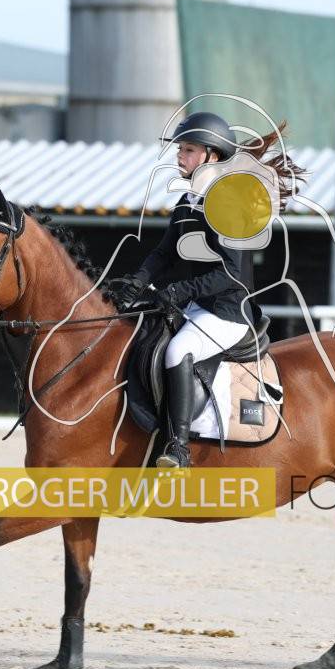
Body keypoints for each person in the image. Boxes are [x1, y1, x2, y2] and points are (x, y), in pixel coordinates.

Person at [115, 111, 303, 468]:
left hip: (227, 312)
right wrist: (135, 282)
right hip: (196, 308)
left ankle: (178, 446)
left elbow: (231, 274)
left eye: (188, 150)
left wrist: (179, 291)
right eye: (180, 150)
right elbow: (164, 254)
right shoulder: (188, 202)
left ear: (211, 156)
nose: (179, 156)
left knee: (178, 351)